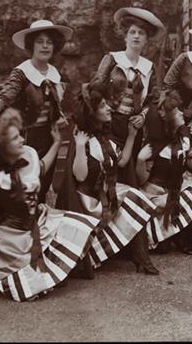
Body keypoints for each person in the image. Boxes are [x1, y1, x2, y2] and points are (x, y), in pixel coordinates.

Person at [0, 109, 100, 302]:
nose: (22, 140)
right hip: (11, 239)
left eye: (20, 134)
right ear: (3, 145)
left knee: (78, 226)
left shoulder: (29, 153)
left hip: (36, 222)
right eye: (15, 138)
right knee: (29, 289)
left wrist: (57, 143)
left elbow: (41, 168)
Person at [56, 82, 159, 275]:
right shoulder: (83, 139)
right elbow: (80, 176)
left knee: (135, 196)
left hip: (104, 196)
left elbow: (121, 161)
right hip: (88, 203)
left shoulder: (104, 138)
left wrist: (131, 136)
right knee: (132, 197)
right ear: (92, 112)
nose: (109, 108)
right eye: (103, 106)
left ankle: (140, 257)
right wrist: (80, 146)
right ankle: (97, 254)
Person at [0, 19, 73, 204]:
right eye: (40, 41)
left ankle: (40, 216)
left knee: (44, 184)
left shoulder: (55, 73)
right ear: (31, 45)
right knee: (25, 185)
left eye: (49, 42)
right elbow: (7, 94)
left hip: (49, 138)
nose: (45, 46)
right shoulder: (22, 72)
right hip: (25, 138)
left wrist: (60, 117)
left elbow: (57, 103)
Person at [89, 7, 166, 186]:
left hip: (133, 127)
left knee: (128, 173)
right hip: (110, 124)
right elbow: (95, 90)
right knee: (110, 167)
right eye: (132, 32)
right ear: (125, 36)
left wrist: (143, 116)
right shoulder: (112, 59)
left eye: (141, 33)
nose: (136, 36)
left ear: (146, 39)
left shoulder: (149, 67)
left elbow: (154, 99)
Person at [136, 90, 192, 253]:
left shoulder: (184, 135)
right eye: (177, 112)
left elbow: (190, 164)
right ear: (167, 119)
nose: (181, 113)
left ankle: (179, 234)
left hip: (176, 187)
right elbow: (142, 180)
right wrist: (140, 160)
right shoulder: (155, 145)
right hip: (156, 194)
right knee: (161, 248)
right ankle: (166, 234)